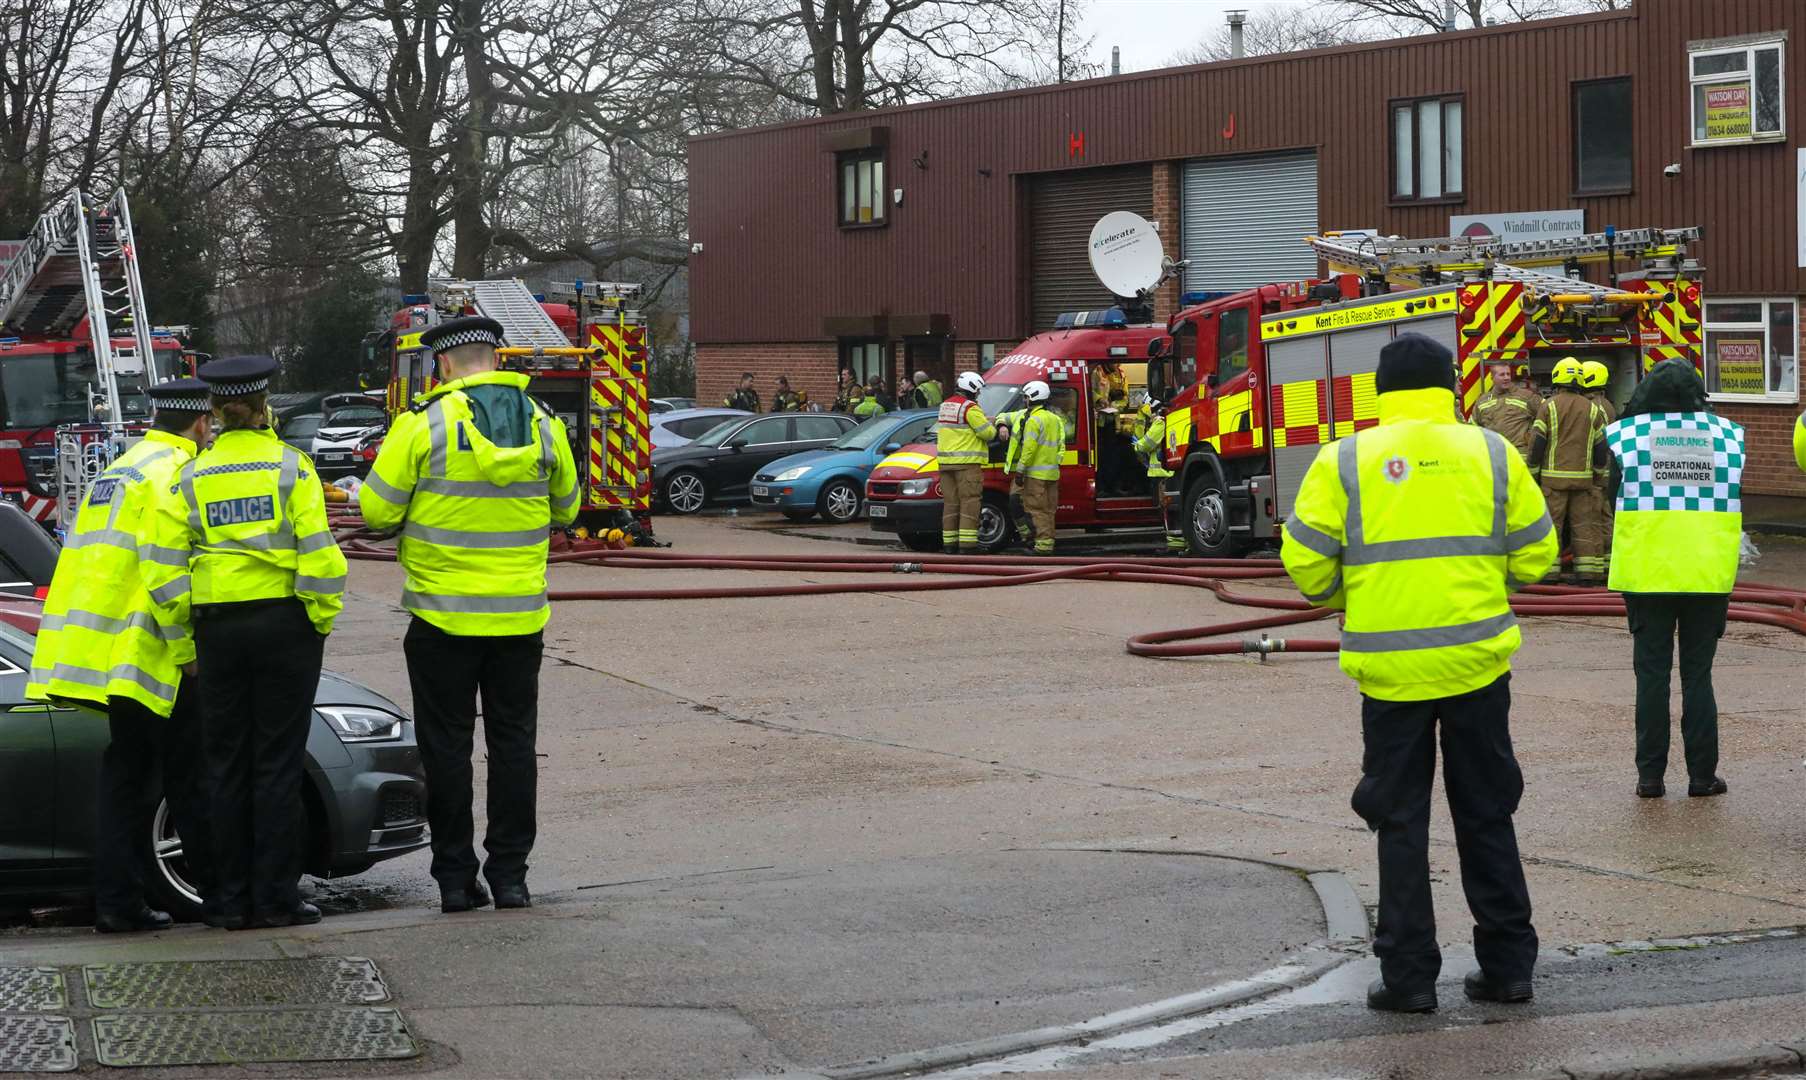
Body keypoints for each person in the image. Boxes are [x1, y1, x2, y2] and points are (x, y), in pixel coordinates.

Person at [1282, 332, 1555, 1014]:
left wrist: (1355, 593)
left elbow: (1308, 566)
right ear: (1449, 385)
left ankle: (1407, 979)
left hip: (1390, 674)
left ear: (1384, 389)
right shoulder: (1491, 451)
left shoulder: (1345, 459)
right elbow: (1536, 556)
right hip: (1477, 665)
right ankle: (1508, 968)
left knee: (1399, 823)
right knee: (1487, 813)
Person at [359, 316, 580, 913]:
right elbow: (568, 508)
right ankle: (511, 876)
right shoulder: (544, 425)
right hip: (518, 620)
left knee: (446, 750)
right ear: (496, 360)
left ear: (444, 365)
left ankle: (456, 880)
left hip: (441, 619)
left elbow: (377, 513)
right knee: (513, 747)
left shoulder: (422, 426)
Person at [142, 356, 348, 931]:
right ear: (264, 407)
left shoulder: (189, 476)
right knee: (277, 765)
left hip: (217, 631)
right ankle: (276, 898)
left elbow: (161, 571)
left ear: (214, 412)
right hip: (285, 627)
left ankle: (229, 900)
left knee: (224, 765)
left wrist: (186, 646)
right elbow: (322, 558)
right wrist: (319, 620)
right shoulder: (292, 467)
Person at [28, 378, 214, 933]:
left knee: (126, 779)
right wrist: (188, 651)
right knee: (188, 776)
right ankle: (218, 897)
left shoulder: (119, 471)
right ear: (201, 423)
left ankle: (117, 902)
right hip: (150, 652)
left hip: (101, 653)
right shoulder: (175, 476)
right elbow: (166, 574)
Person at [1604, 359, 1742, 799]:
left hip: (1647, 572)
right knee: (1698, 676)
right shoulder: (1729, 435)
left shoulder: (1626, 435)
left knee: (1652, 675)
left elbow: (1613, 494)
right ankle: (1702, 777)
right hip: (1706, 571)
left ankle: (1650, 778)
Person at [1531, 357, 1610, 583]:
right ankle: (1588, 574)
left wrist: (1534, 473)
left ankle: (1549, 573)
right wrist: (1596, 473)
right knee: (1584, 526)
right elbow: (1601, 446)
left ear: (1557, 378)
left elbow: (1537, 442)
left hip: (1552, 481)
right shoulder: (1592, 408)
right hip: (1584, 481)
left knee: (1551, 526)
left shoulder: (1549, 406)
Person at [935, 371, 995, 553]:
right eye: (977, 391)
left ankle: (949, 545)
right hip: (967, 464)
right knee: (970, 503)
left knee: (951, 504)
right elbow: (988, 433)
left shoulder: (945, 405)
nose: (978, 394)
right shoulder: (970, 408)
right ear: (972, 389)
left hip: (945, 464)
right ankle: (967, 546)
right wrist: (991, 424)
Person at [1005, 380, 1063, 555]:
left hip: (1035, 474)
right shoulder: (1055, 419)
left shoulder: (1033, 420)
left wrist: (1021, 471)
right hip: (1052, 474)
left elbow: (1029, 449)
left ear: (1033, 398)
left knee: (1036, 510)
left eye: (1026, 398)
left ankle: (1042, 547)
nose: (1024, 401)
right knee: (1048, 510)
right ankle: (1047, 542)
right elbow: (1061, 445)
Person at [1131, 399, 1187, 553]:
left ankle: (1175, 544)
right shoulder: (1170, 419)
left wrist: (1136, 445)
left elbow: (1146, 444)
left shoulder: (1160, 422)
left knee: (1165, 510)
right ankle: (1178, 542)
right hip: (1168, 473)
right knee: (1170, 509)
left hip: (1162, 474)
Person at [1473, 363, 1543, 471]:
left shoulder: (1527, 397)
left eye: (1508, 374)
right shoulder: (1482, 401)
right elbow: (1473, 429)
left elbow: (1546, 414)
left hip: (1520, 460)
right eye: (1502, 375)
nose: (1506, 377)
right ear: (1492, 377)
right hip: (1494, 459)